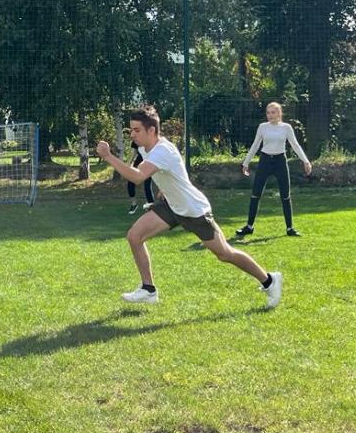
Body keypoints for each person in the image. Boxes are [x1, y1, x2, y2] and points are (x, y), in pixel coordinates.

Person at [96, 105, 283, 308]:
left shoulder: (162, 150)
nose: (132, 134)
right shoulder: (145, 147)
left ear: (152, 130)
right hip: (171, 205)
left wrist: (108, 157)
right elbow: (160, 170)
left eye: (136, 130)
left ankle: (269, 280)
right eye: (131, 129)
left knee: (224, 254)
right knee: (135, 236)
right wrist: (165, 188)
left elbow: (139, 177)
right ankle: (148, 290)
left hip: (193, 210)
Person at [236, 102, 313, 237]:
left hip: (280, 161)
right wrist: (246, 163)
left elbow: (295, 145)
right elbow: (255, 145)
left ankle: (290, 228)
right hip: (265, 161)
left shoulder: (286, 127)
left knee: (285, 195)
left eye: (273, 112)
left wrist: (306, 161)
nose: (270, 115)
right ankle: (249, 226)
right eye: (268, 113)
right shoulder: (263, 127)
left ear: (279, 113)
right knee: (256, 194)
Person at [126, 140, 156, 214]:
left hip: (149, 162)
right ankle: (134, 204)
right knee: (131, 182)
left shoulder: (151, 138)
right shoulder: (136, 139)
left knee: (147, 185)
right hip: (138, 162)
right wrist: (129, 163)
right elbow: (134, 152)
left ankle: (151, 206)